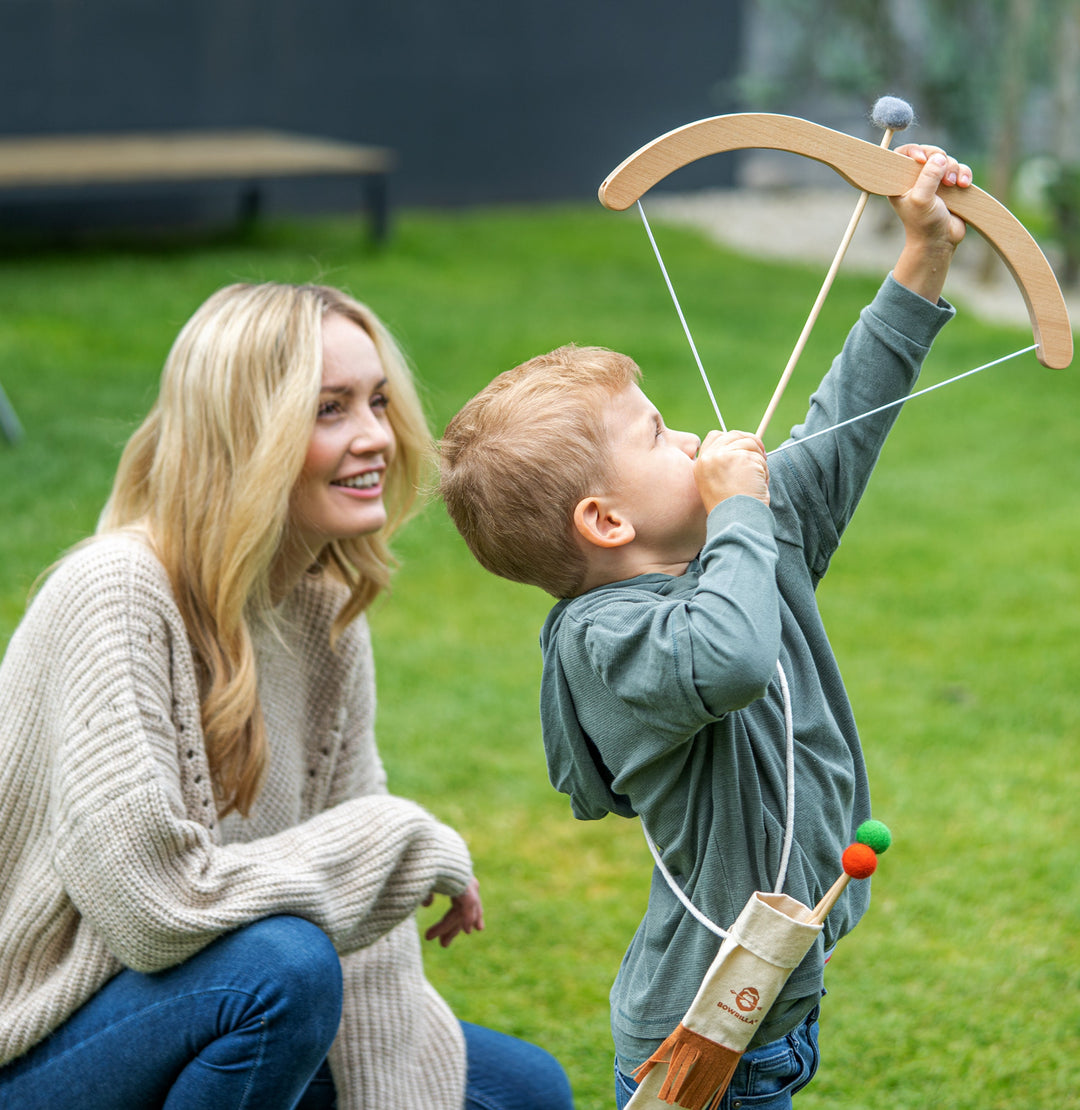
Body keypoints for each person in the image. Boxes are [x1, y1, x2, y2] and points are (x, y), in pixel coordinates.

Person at [439, 145, 973, 1108]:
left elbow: (847, 424)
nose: (690, 438)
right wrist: (738, 514)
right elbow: (730, 660)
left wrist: (923, 254)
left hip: (768, 1011)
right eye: (657, 435)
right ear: (606, 522)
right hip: (699, 1038)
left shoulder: (741, 555)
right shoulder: (606, 641)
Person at [0, 282, 575, 1110]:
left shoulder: (322, 612)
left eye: (379, 401)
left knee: (523, 1091)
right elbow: (154, 911)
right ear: (245, 431)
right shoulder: (114, 592)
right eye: (329, 409)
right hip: (39, 1043)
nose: (376, 436)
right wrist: (394, 837)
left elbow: (360, 915)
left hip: (203, 1012)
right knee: (282, 969)